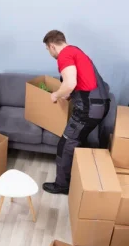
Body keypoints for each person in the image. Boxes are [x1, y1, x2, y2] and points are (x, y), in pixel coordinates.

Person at [42, 30, 110, 195]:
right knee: (78, 142)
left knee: (66, 144)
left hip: (89, 109)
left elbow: (70, 82)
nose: (50, 53)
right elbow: (83, 80)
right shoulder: (76, 51)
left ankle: (62, 186)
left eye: (48, 50)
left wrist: (56, 95)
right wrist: (70, 95)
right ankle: (80, 179)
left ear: (52, 46)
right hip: (100, 103)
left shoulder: (64, 55)